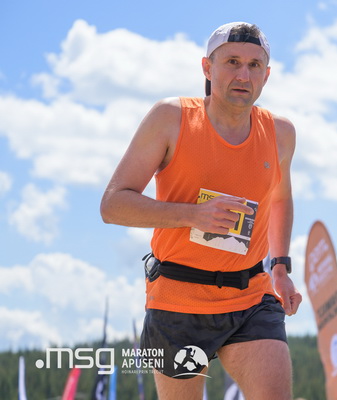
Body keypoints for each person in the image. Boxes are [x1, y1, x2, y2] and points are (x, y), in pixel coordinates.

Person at [100, 21, 302, 399]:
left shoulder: (281, 133)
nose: (243, 75)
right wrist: (192, 215)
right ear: (207, 68)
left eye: (255, 65)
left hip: (250, 295)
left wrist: (280, 267)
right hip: (178, 298)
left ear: (267, 74)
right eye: (232, 62)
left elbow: (280, 198)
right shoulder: (170, 118)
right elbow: (112, 205)